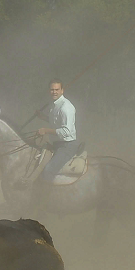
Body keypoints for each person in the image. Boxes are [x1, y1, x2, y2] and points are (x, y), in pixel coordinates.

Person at [29, 80, 77, 214]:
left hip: (67, 146)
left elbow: (66, 131)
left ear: (62, 90)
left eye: (57, 90)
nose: (54, 92)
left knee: (48, 170)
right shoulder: (55, 105)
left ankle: (45, 206)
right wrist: (42, 117)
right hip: (56, 144)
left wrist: (46, 130)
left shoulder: (66, 107)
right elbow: (55, 121)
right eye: (52, 90)